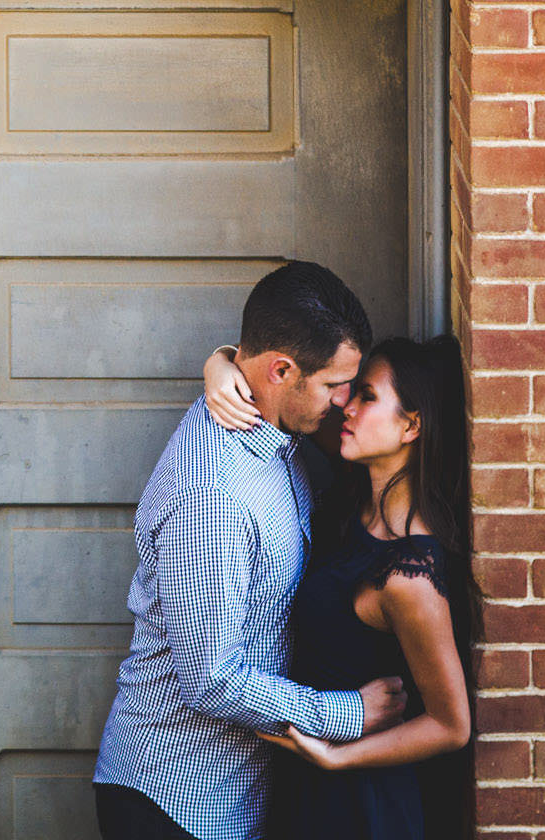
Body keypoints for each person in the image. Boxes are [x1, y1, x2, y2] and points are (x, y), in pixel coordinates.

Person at [94, 261, 408, 840]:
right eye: (335, 385)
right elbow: (212, 679)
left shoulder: (270, 424)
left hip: (241, 796)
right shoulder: (214, 498)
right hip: (177, 802)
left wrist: (222, 359)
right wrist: (349, 714)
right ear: (282, 370)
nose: (344, 401)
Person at [202, 332, 482, 840]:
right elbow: (280, 389)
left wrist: (337, 758)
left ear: (412, 425)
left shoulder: (409, 573)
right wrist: (221, 363)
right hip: (304, 784)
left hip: (361, 804)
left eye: (367, 397)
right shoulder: (355, 494)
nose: (346, 407)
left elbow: (451, 724)